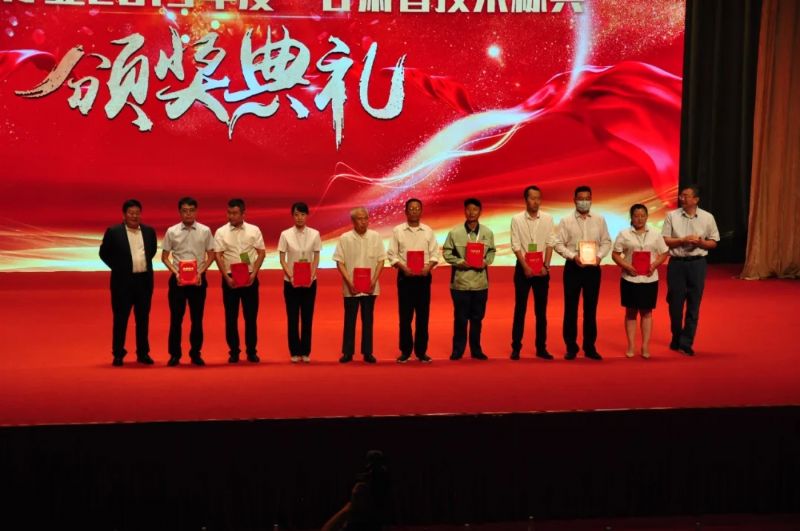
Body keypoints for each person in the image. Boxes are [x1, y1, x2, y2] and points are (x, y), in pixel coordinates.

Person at [554, 185, 612, 360]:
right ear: (574, 200)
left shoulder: (599, 219)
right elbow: (558, 244)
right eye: (581, 199)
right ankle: (571, 347)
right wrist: (573, 256)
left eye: (587, 198)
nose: (584, 202)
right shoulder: (566, 220)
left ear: (591, 200)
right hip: (573, 267)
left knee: (590, 309)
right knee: (570, 309)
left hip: (593, 269)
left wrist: (599, 256)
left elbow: (606, 242)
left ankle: (589, 346)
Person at [99, 199, 158, 367]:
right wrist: (118, 268)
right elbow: (104, 253)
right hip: (122, 283)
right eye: (131, 213)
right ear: (124, 215)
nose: (134, 216)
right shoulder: (113, 232)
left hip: (144, 281)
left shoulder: (149, 232)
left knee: (143, 319)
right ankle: (118, 354)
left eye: (137, 213)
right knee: (120, 319)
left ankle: (143, 353)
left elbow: (152, 251)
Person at [662, 185, 719, 356]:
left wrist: (701, 243)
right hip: (677, 264)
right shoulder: (671, 216)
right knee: (675, 304)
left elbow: (714, 242)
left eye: (686, 196)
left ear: (696, 199)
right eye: (681, 195)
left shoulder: (707, 217)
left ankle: (686, 342)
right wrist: (683, 240)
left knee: (694, 304)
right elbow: (665, 240)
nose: (682, 198)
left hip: (697, 264)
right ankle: (676, 336)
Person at [161, 197, 215, 366]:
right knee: (176, 319)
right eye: (185, 210)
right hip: (178, 281)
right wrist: (176, 273)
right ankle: (174, 355)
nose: (188, 214)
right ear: (180, 212)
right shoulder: (172, 231)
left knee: (197, 319)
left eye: (191, 210)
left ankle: (195, 354)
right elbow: (164, 257)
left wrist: (201, 272)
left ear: (196, 211)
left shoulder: (205, 231)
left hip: (198, 280)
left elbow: (211, 254)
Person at [611, 204, 669, 359]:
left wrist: (654, 265)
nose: (640, 219)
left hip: (650, 278)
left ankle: (645, 346)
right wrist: (626, 266)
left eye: (643, 215)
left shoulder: (655, 234)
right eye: (636, 216)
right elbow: (615, 254)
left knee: (647, 312)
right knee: (630, 312)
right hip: (630, 278)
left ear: (647, 216)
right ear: (631, 217)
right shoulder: (624, 234)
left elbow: (664, 253)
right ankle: (631, 345)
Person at [386, 198, 440, 364]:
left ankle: (421, 352)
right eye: (411, 208)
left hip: (423, 278)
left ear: (421, 211)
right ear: (406, 211)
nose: (414, 211)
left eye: (417, 208)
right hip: (405, 278)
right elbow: (391, 254)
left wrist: (428, 267)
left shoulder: (428, 231)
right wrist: (403, 267)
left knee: (423, 316)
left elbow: (435, 253)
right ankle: (405, 351)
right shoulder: (398, 231)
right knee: (405, 317)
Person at [442, 198, 496, 360]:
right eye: (468, 209)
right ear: (464, 211)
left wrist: (486, 262)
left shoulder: (487, 232)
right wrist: (459, 262)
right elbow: (446, 252)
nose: (471, 212)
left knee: (477, 319)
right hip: (460, 284)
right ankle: (458, 350)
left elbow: (492, 251)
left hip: (480, 284)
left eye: (475, 209)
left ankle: (476, 350)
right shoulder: (455, 232)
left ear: (480, 212)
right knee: (460, 319)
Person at [214, 198, 266, 363]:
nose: (231, 216)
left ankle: (251, 351)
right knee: (231, 317)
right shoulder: (221, 232)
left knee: (250, 317)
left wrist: (254, 274)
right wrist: (225, 277)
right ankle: (234, 352)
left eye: (235, 213)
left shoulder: (254, 230)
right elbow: (218, 255)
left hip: (249, 276)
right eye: (229, 213)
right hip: (230, 277)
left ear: (243, 213)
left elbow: (261, 252)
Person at [333, 207, 386, 364]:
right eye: (359, 219)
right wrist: (349, 282)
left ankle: (368, 352)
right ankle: (347, 352)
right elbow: (339, 262)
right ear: (353, 221)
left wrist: (374, 280)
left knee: (368, 320)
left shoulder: (376, 237)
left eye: (365, 218)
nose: (363, 221)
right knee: (349, 320)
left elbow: (381, 260)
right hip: (351, 287)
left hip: (371, 287)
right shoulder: (345, 238)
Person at [509, 185, 555, 360]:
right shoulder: (517, 219)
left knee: (541, 312)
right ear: (526, 199)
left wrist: (546, 266)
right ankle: (516, 347)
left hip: (542, 270)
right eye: (532, 198)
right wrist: (525, 267)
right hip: (523, 269)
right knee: (520, 309)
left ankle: (541, 348)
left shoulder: (548, 218)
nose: (536, 201)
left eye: (538, 198)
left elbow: (550, 242)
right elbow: (515, 245)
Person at [278, 202, 321, 363]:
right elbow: (282, 259)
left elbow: (316, 257)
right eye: (296, 214)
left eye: (302, 214)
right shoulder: (285, 234)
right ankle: (294, 351)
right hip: (291, 282)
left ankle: (306, 351)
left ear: (307, 216)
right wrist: (291, 276)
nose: (299, 218)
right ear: (292, 216)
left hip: (310, 282)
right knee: (293, 317)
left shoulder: (315, 234)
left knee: (307, 317)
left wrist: (312, 275)